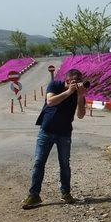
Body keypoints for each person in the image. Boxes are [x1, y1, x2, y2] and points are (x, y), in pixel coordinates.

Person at [21, 69, 86, 209]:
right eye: (73, 81)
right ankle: (34, 195)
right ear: (67, 80)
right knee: (39, 162)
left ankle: (66, 193)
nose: (75, 84)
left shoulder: (78, 93)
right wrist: (68, 92)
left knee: (64, 164)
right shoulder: (55, 85)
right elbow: (50, 101)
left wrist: (80, 96)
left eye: (78, 81)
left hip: (64, 133)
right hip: (46, 131)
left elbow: (81, 115)